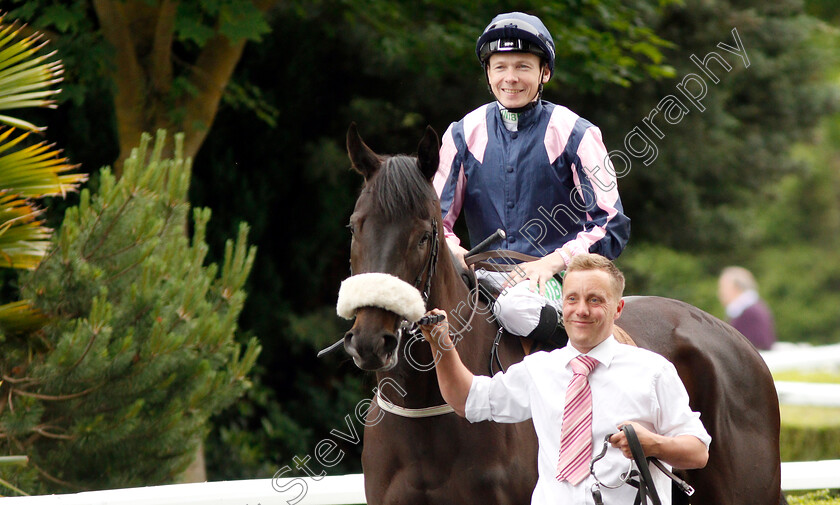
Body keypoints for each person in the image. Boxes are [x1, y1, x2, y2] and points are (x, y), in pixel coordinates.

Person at [419, 254, 710, 505]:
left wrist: (653, 445)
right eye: (572, 299)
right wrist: (440, 342)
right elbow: (465, 399)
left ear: (618, 309)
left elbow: (697, 451)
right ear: (563, 306)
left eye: (595, 300)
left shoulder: (653, 371)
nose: (581, 310)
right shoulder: (538, 369)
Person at [433, 11, 630, 348]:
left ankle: (580, 362)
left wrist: (552, 262)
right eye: (500, 67)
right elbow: (437, 220)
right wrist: (457, 255)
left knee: (514, 307)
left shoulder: (577, 133)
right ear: (488, 73)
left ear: (545, 73)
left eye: (523, 66)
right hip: (480, 277)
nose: (510, 78)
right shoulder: (461, 134)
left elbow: (611, 225)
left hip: (556, 277)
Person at [717, 266, 776, 350]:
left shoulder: (746, 312)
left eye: (723, 288)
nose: (720, 293)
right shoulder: (752, 307)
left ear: (736, 288)